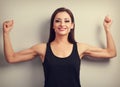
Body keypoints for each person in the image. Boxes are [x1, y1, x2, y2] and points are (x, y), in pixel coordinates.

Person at [3, 7, 116, 87]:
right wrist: (6, 33)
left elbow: (111, 53)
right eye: (58, 21)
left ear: (72, 25)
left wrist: (107, 29)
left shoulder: (80, 48)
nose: (62, 24)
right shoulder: (42, 49)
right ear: (53, 25)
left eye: (67, 21)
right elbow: (11, 57)